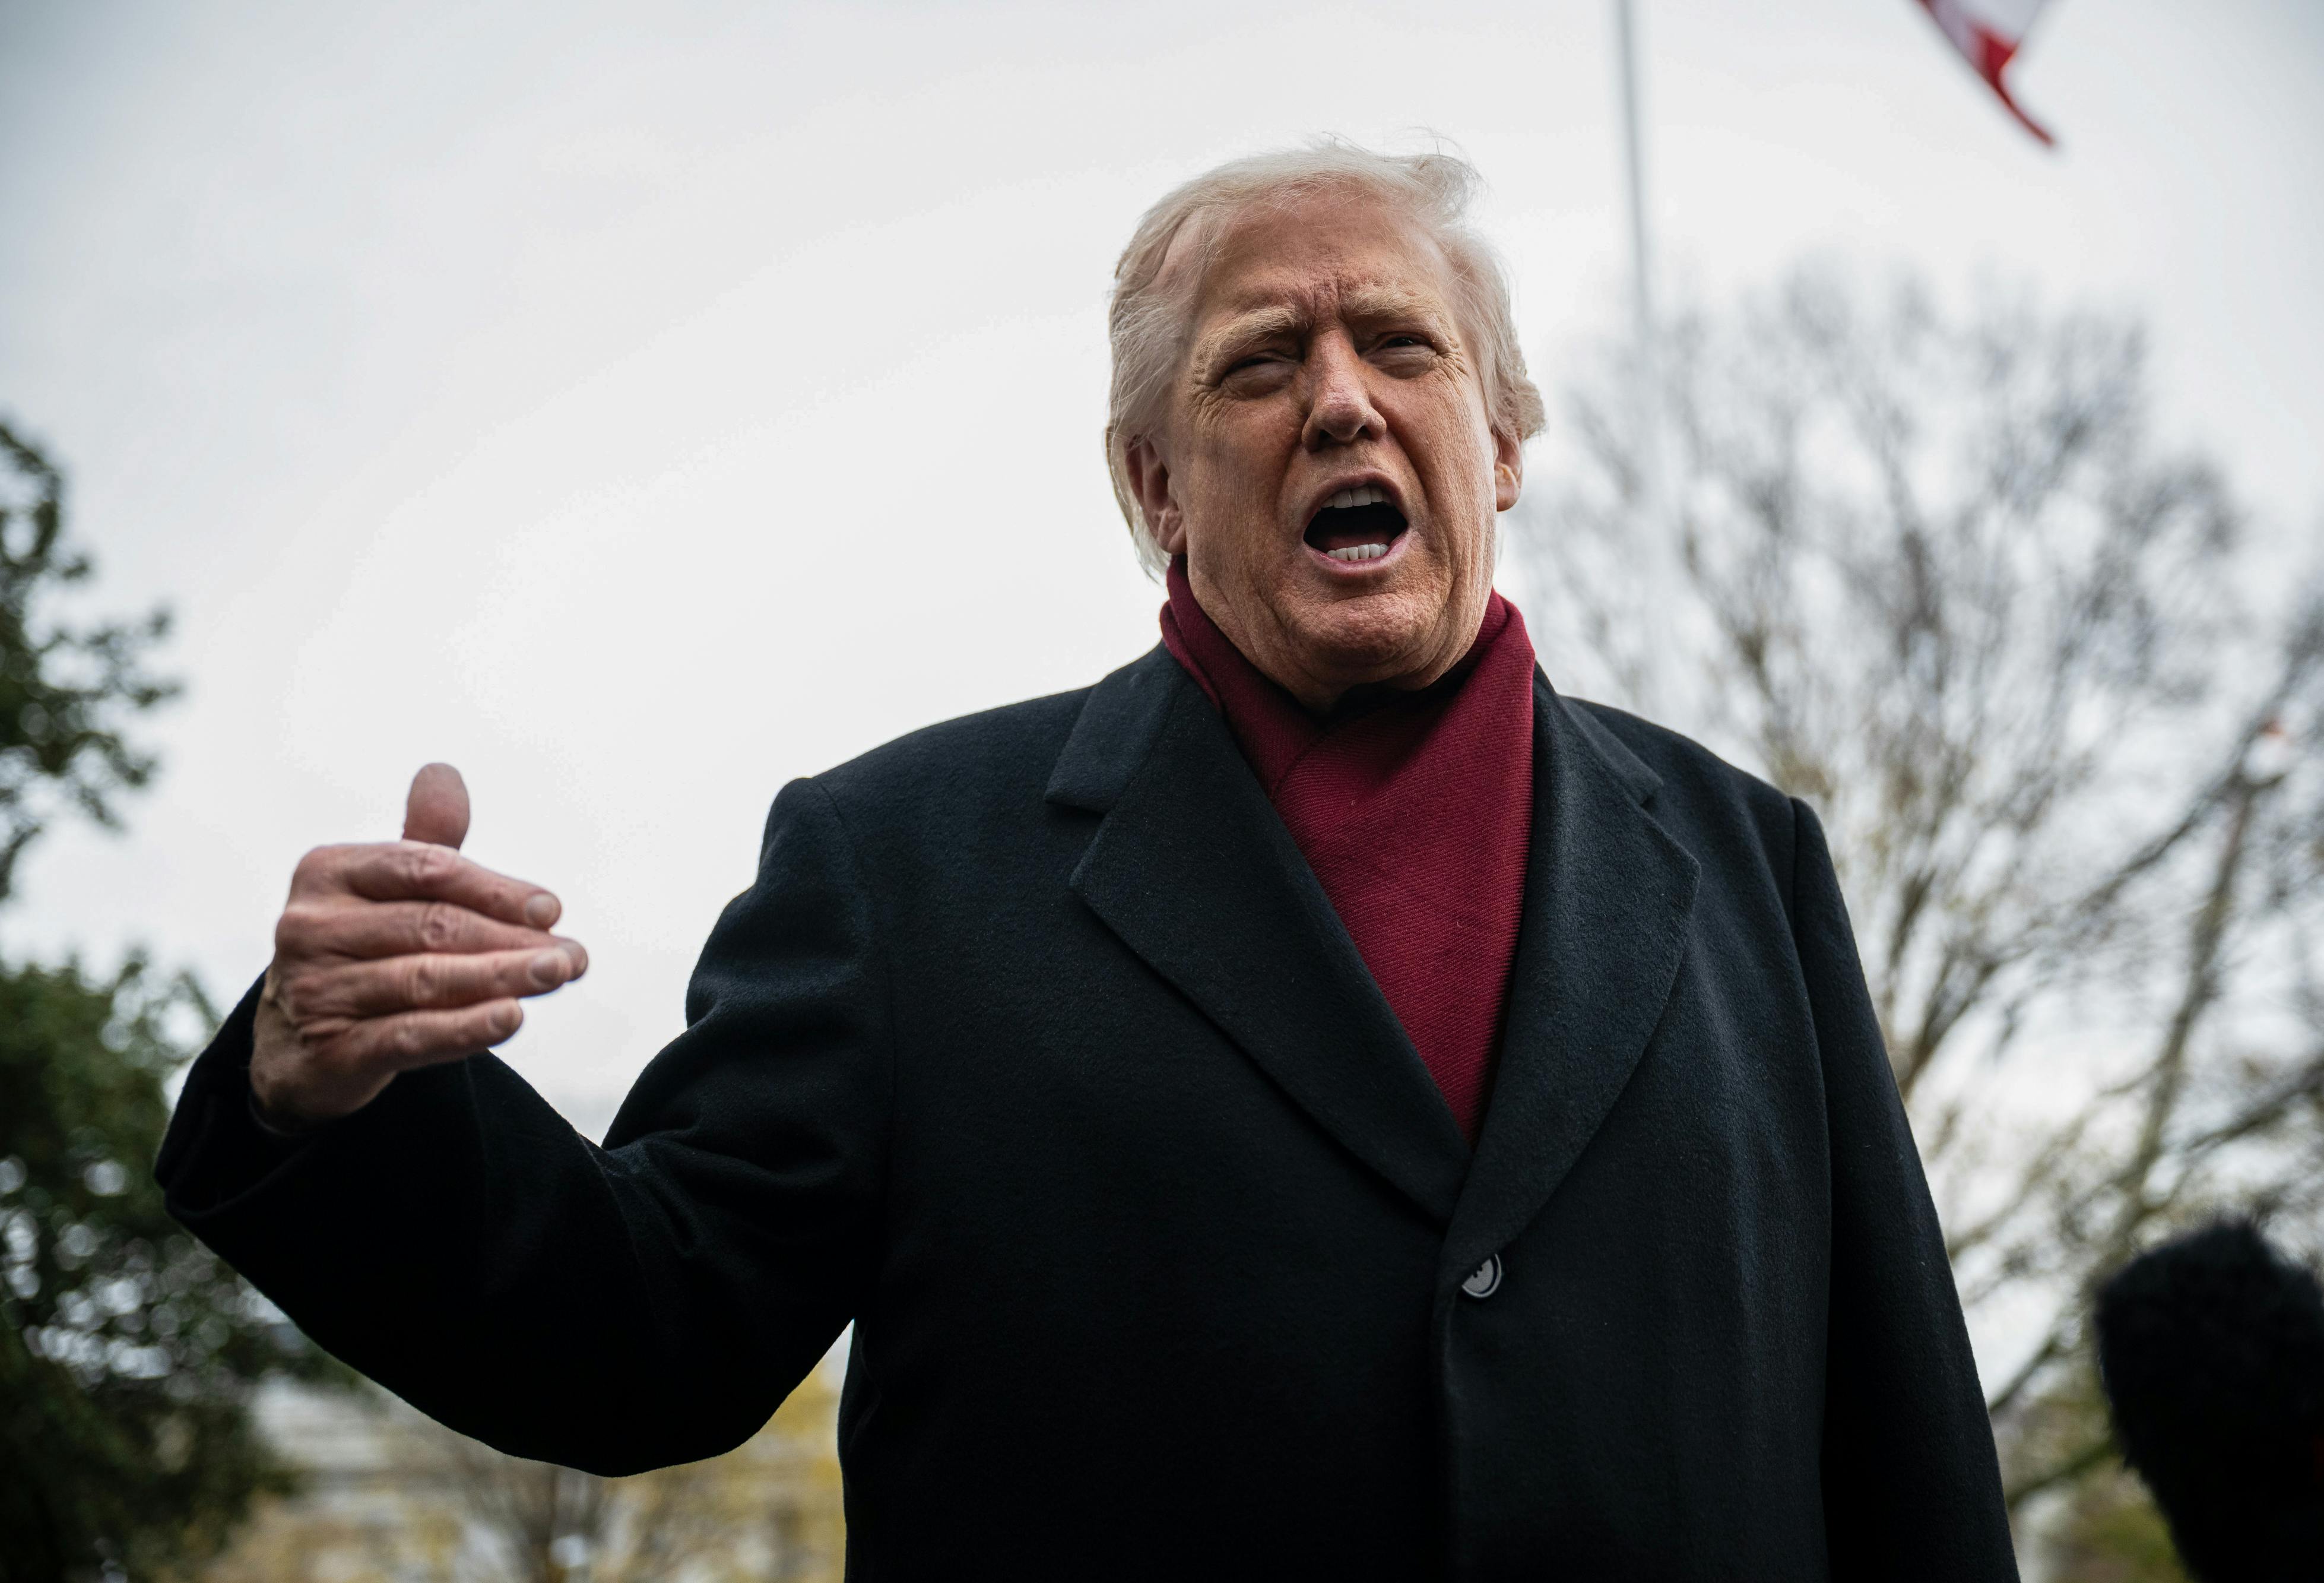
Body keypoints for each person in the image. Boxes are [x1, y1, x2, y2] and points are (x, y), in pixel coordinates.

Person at [158, 144, 2018, 1579]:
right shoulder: (898, 866)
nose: (1345, 400)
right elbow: (648, 1327)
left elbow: (1911, 1452)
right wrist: (341, 1100)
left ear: (1504, 439)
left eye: (1403, 344)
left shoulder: (1747, 863)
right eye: (1261, 363)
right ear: (1152, 487)